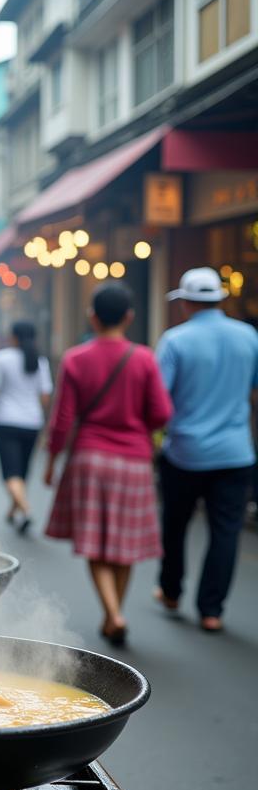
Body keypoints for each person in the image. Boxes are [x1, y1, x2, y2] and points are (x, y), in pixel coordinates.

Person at [43, 284, 172, 646]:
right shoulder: (145, 358)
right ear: (129, 317)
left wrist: (52, 460)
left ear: (92, 317)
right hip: (133, 460)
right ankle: (115, 611)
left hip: (89, 458)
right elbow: (162, 413)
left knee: (96, 543)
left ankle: (112, 613)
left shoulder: (74, 358)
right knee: (124, 543)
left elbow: (62, 418)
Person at [153, 268, 258, 633]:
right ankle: (211, 610)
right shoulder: (249, 337)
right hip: (236, 452)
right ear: (219, 299)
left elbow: (158, 401)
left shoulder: (175, 341)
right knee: (225, 531)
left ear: (185, 303)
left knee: (175, 524)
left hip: (185, 452)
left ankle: (170, 591)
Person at [0, 321, 53, 533]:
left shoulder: (2, 358)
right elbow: (45, 396)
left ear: (14, 337)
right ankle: (13, 511)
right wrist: (45, 424)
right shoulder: (41, 361)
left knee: (10, 472)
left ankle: (26, 510)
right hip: (32, 423)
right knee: (22, 471)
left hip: (6, 421)